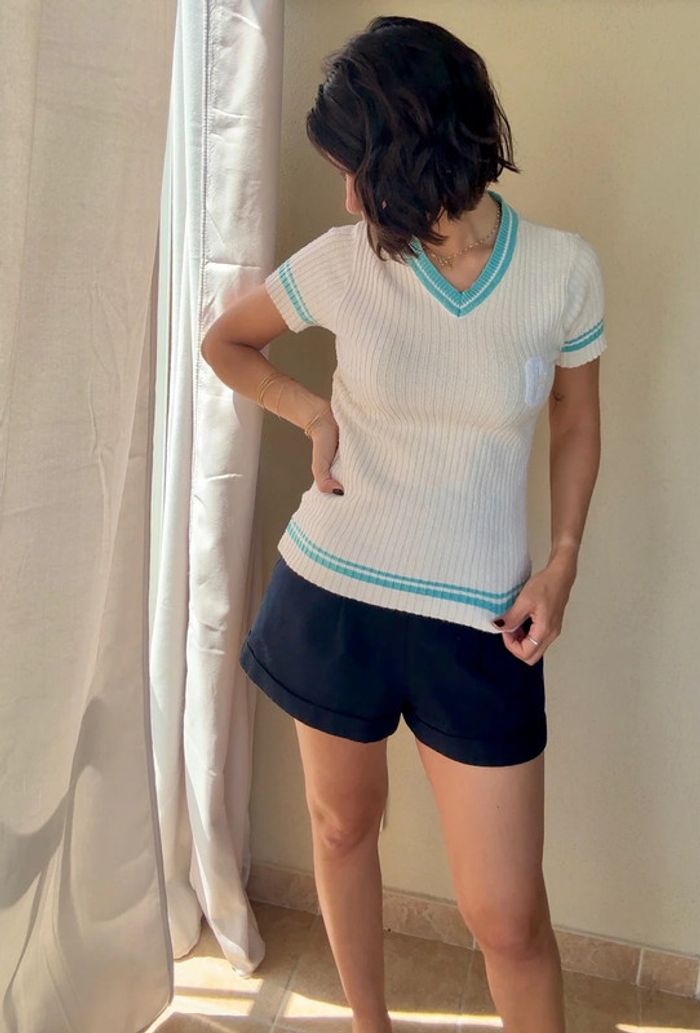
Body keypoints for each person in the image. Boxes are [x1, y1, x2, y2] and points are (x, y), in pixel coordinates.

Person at [202, 15, 607, 1033]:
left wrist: (561, 561)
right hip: (331, 593)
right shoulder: (348, 260)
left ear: (415, 148)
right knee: (342, 829)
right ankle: (368, 1024)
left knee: (507, 918)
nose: (347, 197)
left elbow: (575, 418)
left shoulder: (562, 271)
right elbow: (226, 342)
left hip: (482, 623)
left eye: (356, 169)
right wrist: (312, 413)